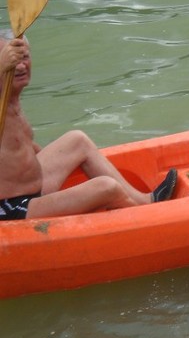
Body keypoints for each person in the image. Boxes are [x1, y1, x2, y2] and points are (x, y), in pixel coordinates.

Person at [0, 30, 177, 220]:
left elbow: (20, 145)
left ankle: (146, 201)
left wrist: (50, 165)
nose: (20, 66)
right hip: (10, 208)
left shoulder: (12, 97)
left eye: (24, 57)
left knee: (77, 140)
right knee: (106, 187)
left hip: (32, 189)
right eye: (12, 61)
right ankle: (148, 220)